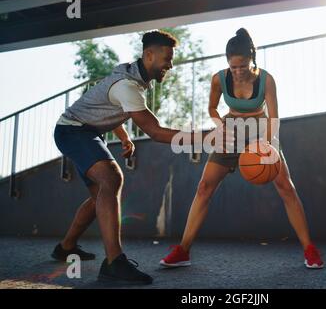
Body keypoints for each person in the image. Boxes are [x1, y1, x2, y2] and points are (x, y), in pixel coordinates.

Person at [52, 30, 217, 284]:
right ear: (149, 55)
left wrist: (124, 136)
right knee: (111, 179)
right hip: (72, 130)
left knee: (100, 195)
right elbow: (156, 132)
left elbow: (108, 106)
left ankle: (66, 247)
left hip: (86, 130)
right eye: (167, 59)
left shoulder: (131, 78)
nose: (170, 65)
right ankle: (114, 262)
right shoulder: (128, 85)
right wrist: (207, 138)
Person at [160, 28, 324, 269]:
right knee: (204, 187)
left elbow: (274, 118)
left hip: (261, 129)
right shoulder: (219, 79)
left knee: (286, 187)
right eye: (233, 66)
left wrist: (266, 145)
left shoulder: (266, 79)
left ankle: (309, 249)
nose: (237, 72)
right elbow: (213, 109)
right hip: (231, 129)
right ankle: (183, 250)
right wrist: (219, 127)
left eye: (242, 66)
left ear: (251, 60)